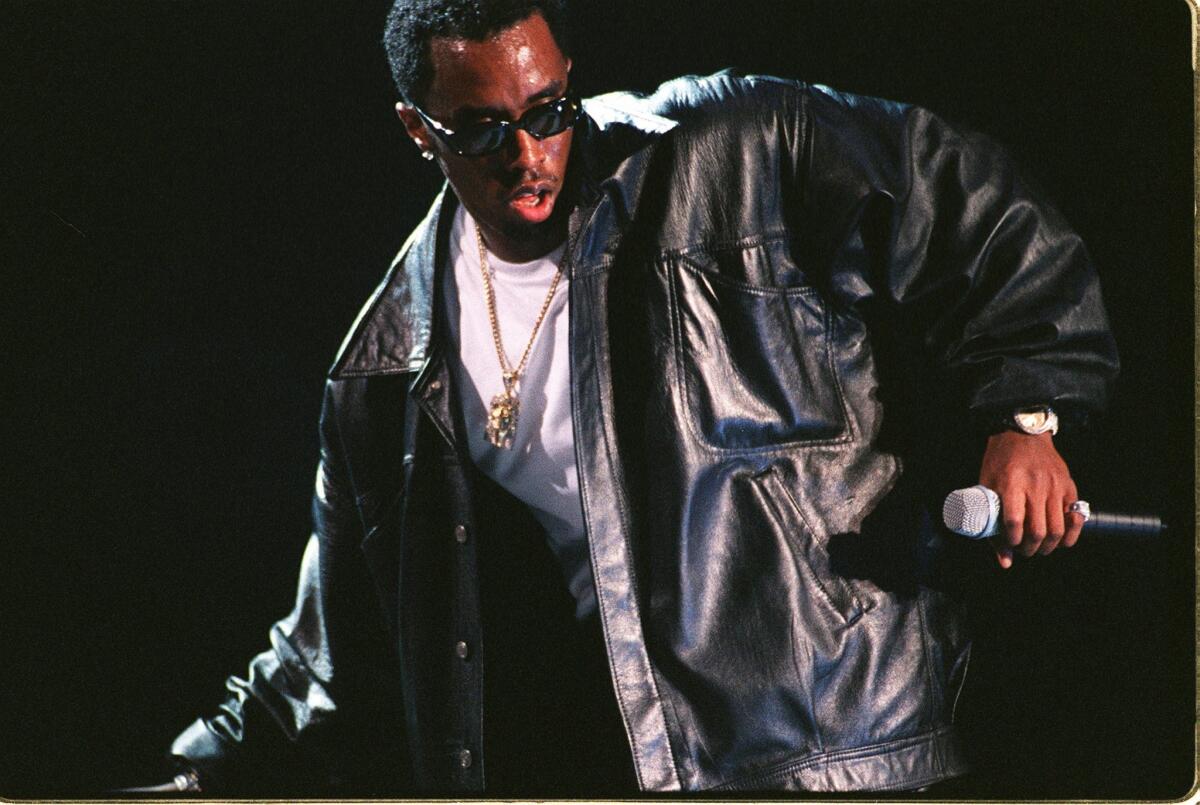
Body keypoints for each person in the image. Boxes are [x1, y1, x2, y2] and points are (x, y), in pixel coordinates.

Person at [158, 0, 1118, 795]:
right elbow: (322, 657)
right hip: (646, 773)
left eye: (546, 109)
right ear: (419, 128)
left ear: (567, 72)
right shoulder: (384, 373)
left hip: (848, 752)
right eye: (483, 129)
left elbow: (972, 200)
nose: (528, 153)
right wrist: (184, 782)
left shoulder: (731, 148)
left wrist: (1024, 416)